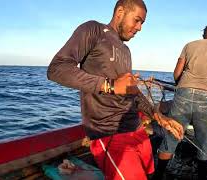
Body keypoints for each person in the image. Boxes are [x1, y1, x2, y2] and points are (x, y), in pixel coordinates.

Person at [47, 0, 183, 179]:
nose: (140, 28)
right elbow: (57, 69)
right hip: (109, 134)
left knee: (149, 174)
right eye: (137, 20)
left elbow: (131, 91)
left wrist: (158, 116)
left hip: (136, 128)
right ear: (120, 12)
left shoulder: (126, 51)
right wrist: (109, 85)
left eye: (142, 23)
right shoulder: (93, 30)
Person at [153, 25, 207, 179]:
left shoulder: (189, 45)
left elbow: (177, 73)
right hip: (206, 99)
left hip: (182, 95)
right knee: (205, 144)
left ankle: (158, 176)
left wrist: (181, 87)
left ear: (203, 35)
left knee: (171, 136)